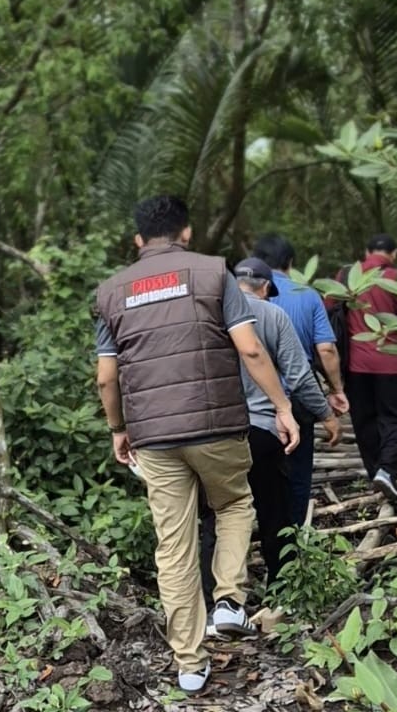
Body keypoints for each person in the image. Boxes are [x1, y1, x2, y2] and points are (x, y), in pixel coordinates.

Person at [93, 196, 300, 694]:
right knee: (233, 503)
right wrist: (282, 407)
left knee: (174, 543)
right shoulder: (213, 273)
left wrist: (119, 429)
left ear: (138, 240)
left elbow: (106, 377)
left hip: (154, 438)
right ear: (186, 232)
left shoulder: (110, 292)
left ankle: (189, 662)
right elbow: (249, 347)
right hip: (217, 429)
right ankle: (229, 600)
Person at [198, 257, 342, 623]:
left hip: (213, 431)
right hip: (262, 431)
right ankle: (281, 591)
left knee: (217, 514)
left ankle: (211, 599)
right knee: (275, 510)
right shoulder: (273, 316)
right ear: (266, 288)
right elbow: (299, 375)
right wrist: (325, 415)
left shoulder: (206, 315)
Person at [252, 233, 349, 525]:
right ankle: (292, 535)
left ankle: (262, 526)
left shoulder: (235, 297)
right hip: (297, 393)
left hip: (252, 397)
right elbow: (326, 349)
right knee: (297, 468)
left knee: (257, 466)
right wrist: (336, 389)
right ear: (291, 263)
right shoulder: (305, 294)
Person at [344, 233, 397, 506]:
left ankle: (375, 472)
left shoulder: (346, 278)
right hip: (391, 362)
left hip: (355, 364)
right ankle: (387, 471)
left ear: (366, 252)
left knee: (364, 420)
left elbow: (329, 312)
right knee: (396, 418)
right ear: (394, 253)